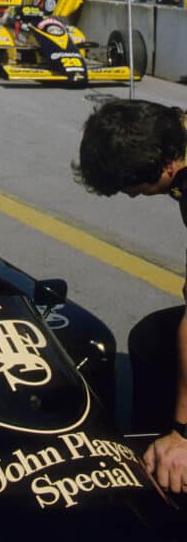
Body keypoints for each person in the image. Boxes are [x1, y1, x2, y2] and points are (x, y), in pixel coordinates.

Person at [72, 100, 187, 493]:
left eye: (132, 187)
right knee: (152, 338)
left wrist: (183, 431)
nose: (132, 196)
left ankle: (171, 464)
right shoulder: (179, 128)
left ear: (164, 168)